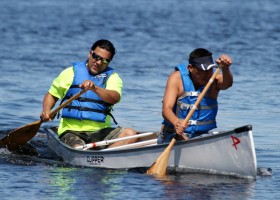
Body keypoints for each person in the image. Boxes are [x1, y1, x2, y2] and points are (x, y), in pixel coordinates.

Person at [40, 39, 137, 149]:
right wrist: (46, 110)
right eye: (96, 57)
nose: (99, 62)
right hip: (71, 131)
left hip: (101, 132)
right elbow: (52, 95)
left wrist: (95, 88)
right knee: (77, 146)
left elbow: (114, 97)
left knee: (130, 134)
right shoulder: (70, 73)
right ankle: (94, 156)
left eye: (105, 61)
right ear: (90, 53)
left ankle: (103, 157)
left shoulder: (113, 77)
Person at [158, 48, 233, 143]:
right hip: (174, 136)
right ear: (190, 68)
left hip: (202, 136)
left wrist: (226, 68)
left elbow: (227, 83)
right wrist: (177, 123)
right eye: (203, 70)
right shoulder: (177, 79)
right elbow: (166, 109)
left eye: (210, 69)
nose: (208, 74)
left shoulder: (213, 81)